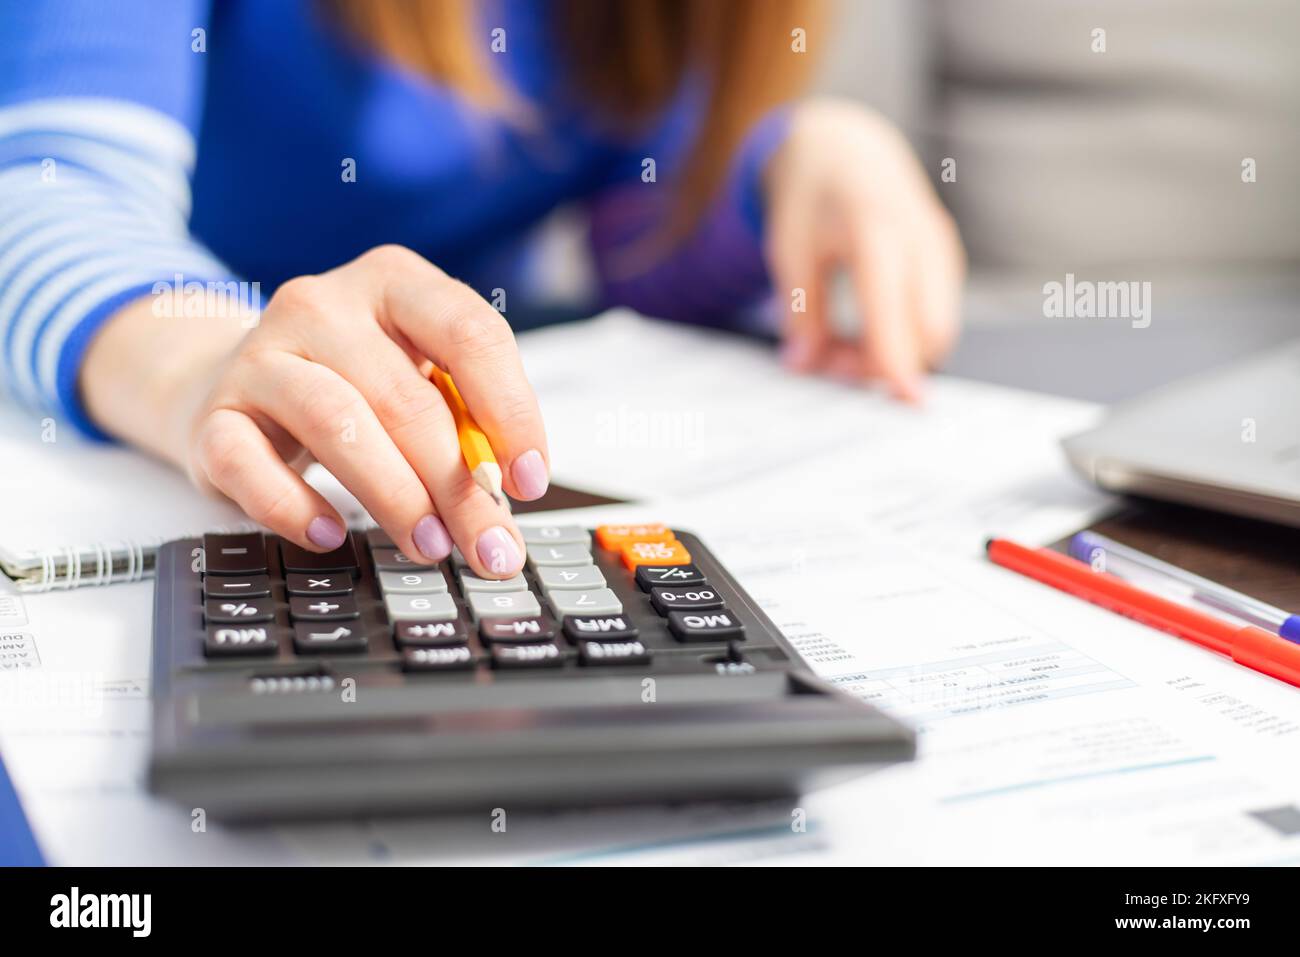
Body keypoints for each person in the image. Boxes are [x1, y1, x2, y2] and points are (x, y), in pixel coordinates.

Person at [0, 0, 964, 580]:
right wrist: (204, 365)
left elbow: (637, 226)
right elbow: (50, 190)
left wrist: (781, 167)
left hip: (449, 431)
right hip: (137, 428)